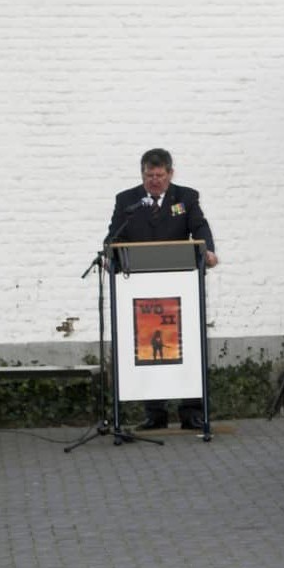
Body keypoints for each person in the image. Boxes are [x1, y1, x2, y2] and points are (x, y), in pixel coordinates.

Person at [106, 147, 217, 431]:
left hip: (181, 289)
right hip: (142, 289)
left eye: (159, 175)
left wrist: (208, 251)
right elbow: (114, 235)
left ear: (170, 174)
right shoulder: (127, 200)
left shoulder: (186, 197)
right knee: (149, 346)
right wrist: (109, 256)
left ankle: (191, 412)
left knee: (186, 344)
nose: (154, 181)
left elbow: (199, 227)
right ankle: (154, 412)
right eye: (149, 175)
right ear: (142, 174)